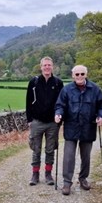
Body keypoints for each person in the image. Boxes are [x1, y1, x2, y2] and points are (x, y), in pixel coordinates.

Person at [54, 65, 102, 195]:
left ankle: (83, 179)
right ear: (73, 76)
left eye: (82, 74)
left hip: (88, 127)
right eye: (77, 74)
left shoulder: (95, 89)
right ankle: (67, 183)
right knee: (68, 156)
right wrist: (58, 114)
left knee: (86, 156)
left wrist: (101, 116)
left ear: (86, 74)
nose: (79, 77)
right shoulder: (66, 90)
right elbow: (60, 105)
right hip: (71, 128)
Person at [25, 56, 64, 186]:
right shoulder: (34, 82)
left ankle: (48, 174)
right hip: (37, 122)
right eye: (45, 65)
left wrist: (60, 120)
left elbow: (62, 103)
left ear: (52, 67)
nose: (47, 67)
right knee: (36, 149)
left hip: (53, 123)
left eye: (49, 65)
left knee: (50, 149)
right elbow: (28, 102)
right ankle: (35, 174)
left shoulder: (58, 83)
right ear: (41, 67)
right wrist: (29, 120)